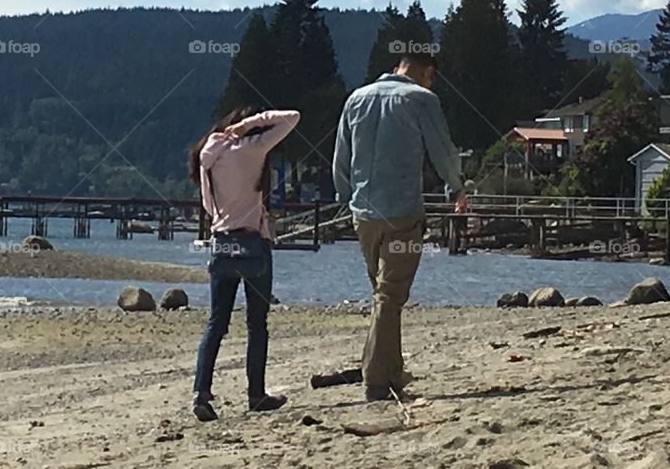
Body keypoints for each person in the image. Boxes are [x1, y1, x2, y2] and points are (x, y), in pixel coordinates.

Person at [332, 51, 466, 402]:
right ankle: (376, 378)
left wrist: (345, 197)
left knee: (383, 295)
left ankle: (392, 371)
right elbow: (442, 149)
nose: (431, 82)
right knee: (390, 297)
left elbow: (341, 156)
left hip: (364, 213)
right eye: (431, 77)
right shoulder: (422, 99)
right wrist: (457, 186)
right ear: (426, 71)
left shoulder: (356, 98)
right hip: (403, 210)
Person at [189, 106, 300, 421]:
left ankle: (201, 392)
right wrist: (250, 124)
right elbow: (292, 117)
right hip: (254, 242)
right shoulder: (253, 148)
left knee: (216, 323)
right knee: (256, 323)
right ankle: (255, 395)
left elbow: (208, 206)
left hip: (222, 241)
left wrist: (233, 128)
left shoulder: (208, 153)